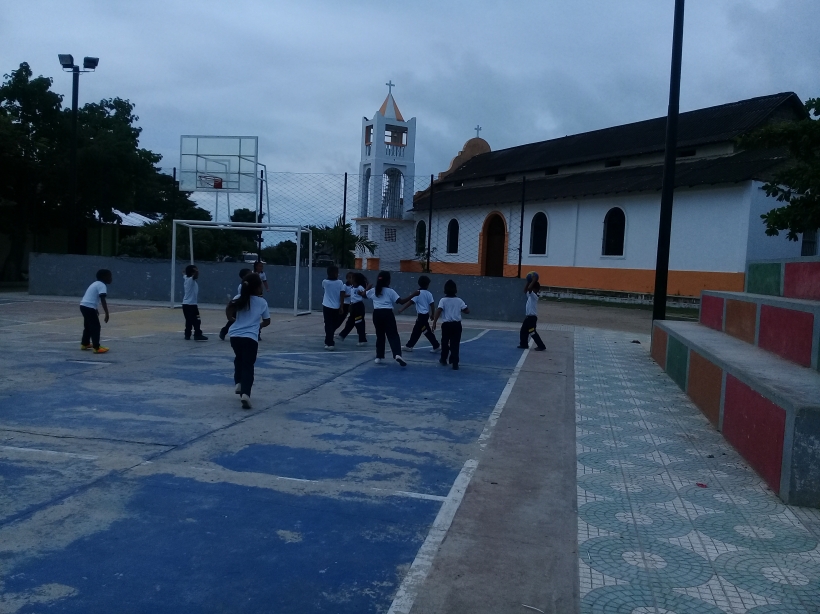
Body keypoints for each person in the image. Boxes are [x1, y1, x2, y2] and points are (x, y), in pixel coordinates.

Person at [225, 273, 271, 409]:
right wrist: (259, 325)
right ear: (257, 287)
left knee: (238, 358)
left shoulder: (238, 298)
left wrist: (233, 321)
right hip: (250, 338)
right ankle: (246, 394)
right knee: (248, 365)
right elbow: (267, 321)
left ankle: (238, 382)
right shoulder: (262, 302)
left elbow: (229, 311)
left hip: (235, 336)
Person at [365, 271, 413, 366]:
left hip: (377, 314)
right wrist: (414, 295)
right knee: (393, 335)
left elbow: (363, 295)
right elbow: (401, 301)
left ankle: (379, 356)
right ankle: (397, 354)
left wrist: (367, 288)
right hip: (387, 314)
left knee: (380, 335)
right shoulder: (390, 291)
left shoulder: (374, 290)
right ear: (388, 281)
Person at [431, 279, 469, 370]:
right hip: (457, 325)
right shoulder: (459, 300)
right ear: (455, 289)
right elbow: (467, 310)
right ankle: (455, 362)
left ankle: (443, 359)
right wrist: (462, 309)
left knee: (444, 342)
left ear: (445, 290)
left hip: (446, 325)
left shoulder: (443, 300)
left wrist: (434, 322)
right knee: (455, 343)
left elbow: (439, 310)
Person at [398, 275, 440, 353]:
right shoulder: (429, 294)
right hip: (425, 315)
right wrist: (432, 314)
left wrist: (402, 309)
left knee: (419, 331)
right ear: (427, 285)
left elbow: (410, 302)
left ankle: (410, 346)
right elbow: (432, 304)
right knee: (423, 331)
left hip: (421, 316)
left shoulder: (417, 293)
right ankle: (435, 345)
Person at [80, 269, 112, 354]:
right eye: (109, 276)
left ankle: (85, 343)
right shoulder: (102, 285)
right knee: (96, 327)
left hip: (84, 306)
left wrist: (95, 308)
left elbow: (92, 297)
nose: (111, 278)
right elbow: (102, 299)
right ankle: (96, 347)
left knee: (88, 326)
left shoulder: (95, 283)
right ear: (104, 277)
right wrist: (107, 313)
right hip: (89, 307)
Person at [219, 268, 251, 340]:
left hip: (244, 302)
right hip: (240, 302)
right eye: (249, 274)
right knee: (234, 318)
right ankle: (224, 331)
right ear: (243, 276)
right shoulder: (243, 285)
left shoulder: (249, 284)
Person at [338, 272, 368, 345]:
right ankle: (342, 335)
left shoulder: (360, 287)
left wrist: (362, 294)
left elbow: (366, 296)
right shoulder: (352, 287)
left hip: (358, 307)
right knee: (350, 322)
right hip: (353, 306)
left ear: (355, 279)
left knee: (359, 323)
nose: (350, 279)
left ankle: (362, 340)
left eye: (352, 278)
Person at [321, 265, 346, 350]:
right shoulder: (340, 283)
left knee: (328, 324)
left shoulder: (325, 282)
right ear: (336, 273)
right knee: (332, 324)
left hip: (326, 306)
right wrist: (341, 306)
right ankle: (330, 342)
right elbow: (342, 295)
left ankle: (329, 341)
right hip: (335, 306)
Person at [519, 274, 547, 351]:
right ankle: (524, 344)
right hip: (528, 317)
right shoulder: (530, 295)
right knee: (523, 331)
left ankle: (541, 346)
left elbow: (529, 289)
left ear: (536, 289)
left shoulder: (535, 296)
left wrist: (534, 280)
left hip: (532, 318)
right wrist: (528, 281)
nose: (530, 290)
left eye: (533, 288)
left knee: (532, 332)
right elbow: (525, 290)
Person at [182, 265, 208, 341]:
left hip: (186, 304)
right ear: (192, 273)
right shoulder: (190, 280)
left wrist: (185, 271)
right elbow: (195, 276)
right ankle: (197, 334)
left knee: (189, 320)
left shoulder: (186, 278)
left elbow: (183, 273)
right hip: (191, 305)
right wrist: (196, 271)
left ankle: (187, 335)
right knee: (197, 320)